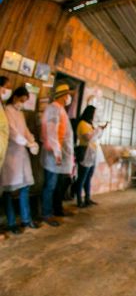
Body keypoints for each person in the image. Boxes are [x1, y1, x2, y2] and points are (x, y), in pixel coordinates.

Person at [0, 87, 40, 234]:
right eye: (21, 100)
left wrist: (32, 141)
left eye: (25, 101)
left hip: (22, 155)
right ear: (15, 97)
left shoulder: (20, 113)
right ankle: (11, 223)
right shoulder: (6, 110)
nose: (22, 104)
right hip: (10, 155)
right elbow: (12, 132)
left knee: (25, 188)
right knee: (9, 191)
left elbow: (25, 131)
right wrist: (26, 143)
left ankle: (26, 219)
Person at [40, 83, 75, 227]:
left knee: (58, 185)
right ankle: (46, 214)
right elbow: (51, 131)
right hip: (53, 155)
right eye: (67, 95)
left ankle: (57, 209)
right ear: (63, 96)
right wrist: (57, 152)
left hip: (60, 154)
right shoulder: (53, 108)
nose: (69, 97)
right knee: (50, 185)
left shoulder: (61, 109)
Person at [75, 105, 107, 208]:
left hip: (92, 153)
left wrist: (100, 129)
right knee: (82, 177)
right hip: (84, 152)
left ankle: (87, 198)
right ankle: (79, 200)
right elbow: (88, 137)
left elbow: (95, 136)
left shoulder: (90, 124)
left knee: (88, 177)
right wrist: (97, 130)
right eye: (94, 113)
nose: (95, 116)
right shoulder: (82, 124)